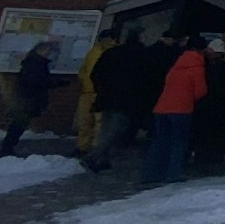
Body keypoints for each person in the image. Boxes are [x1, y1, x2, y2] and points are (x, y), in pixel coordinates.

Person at [140, 39, 215, 184]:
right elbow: (200, 91)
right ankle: (172, 174)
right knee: (178, 143)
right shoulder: (197, 67)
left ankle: (149, 174)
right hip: (181, 109)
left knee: (159, 142)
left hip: (162, 107)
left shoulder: (176, 65)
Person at [84, 29, 148, 173]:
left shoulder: (111, 53)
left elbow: (96, 73)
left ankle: (102, 160)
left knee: (106, 129)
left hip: (107, 97)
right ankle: (94, 156)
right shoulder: (142, 55)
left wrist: (102, 90)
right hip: (127, 99)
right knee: (117, 130)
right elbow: (145, 79)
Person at [0, 40, 67, 158]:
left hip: (27, 98)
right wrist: (56, 82)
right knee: (19, 124)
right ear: (39, 50)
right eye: (47, 50)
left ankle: (7, 148)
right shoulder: (35, 63)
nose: (49, 53)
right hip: (28, 98)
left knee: (19, 124)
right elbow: (37, 81)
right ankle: (6, 149)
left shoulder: (34, 62)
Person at [74, 29, 117, 156]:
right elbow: (84, 70)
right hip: (87, 92)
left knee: (99, 123)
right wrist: (84, 81)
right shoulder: (93, 52)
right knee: (84, 121)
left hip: (102, 92)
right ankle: (82, 147)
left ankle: (96, 149)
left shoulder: (113, 53)